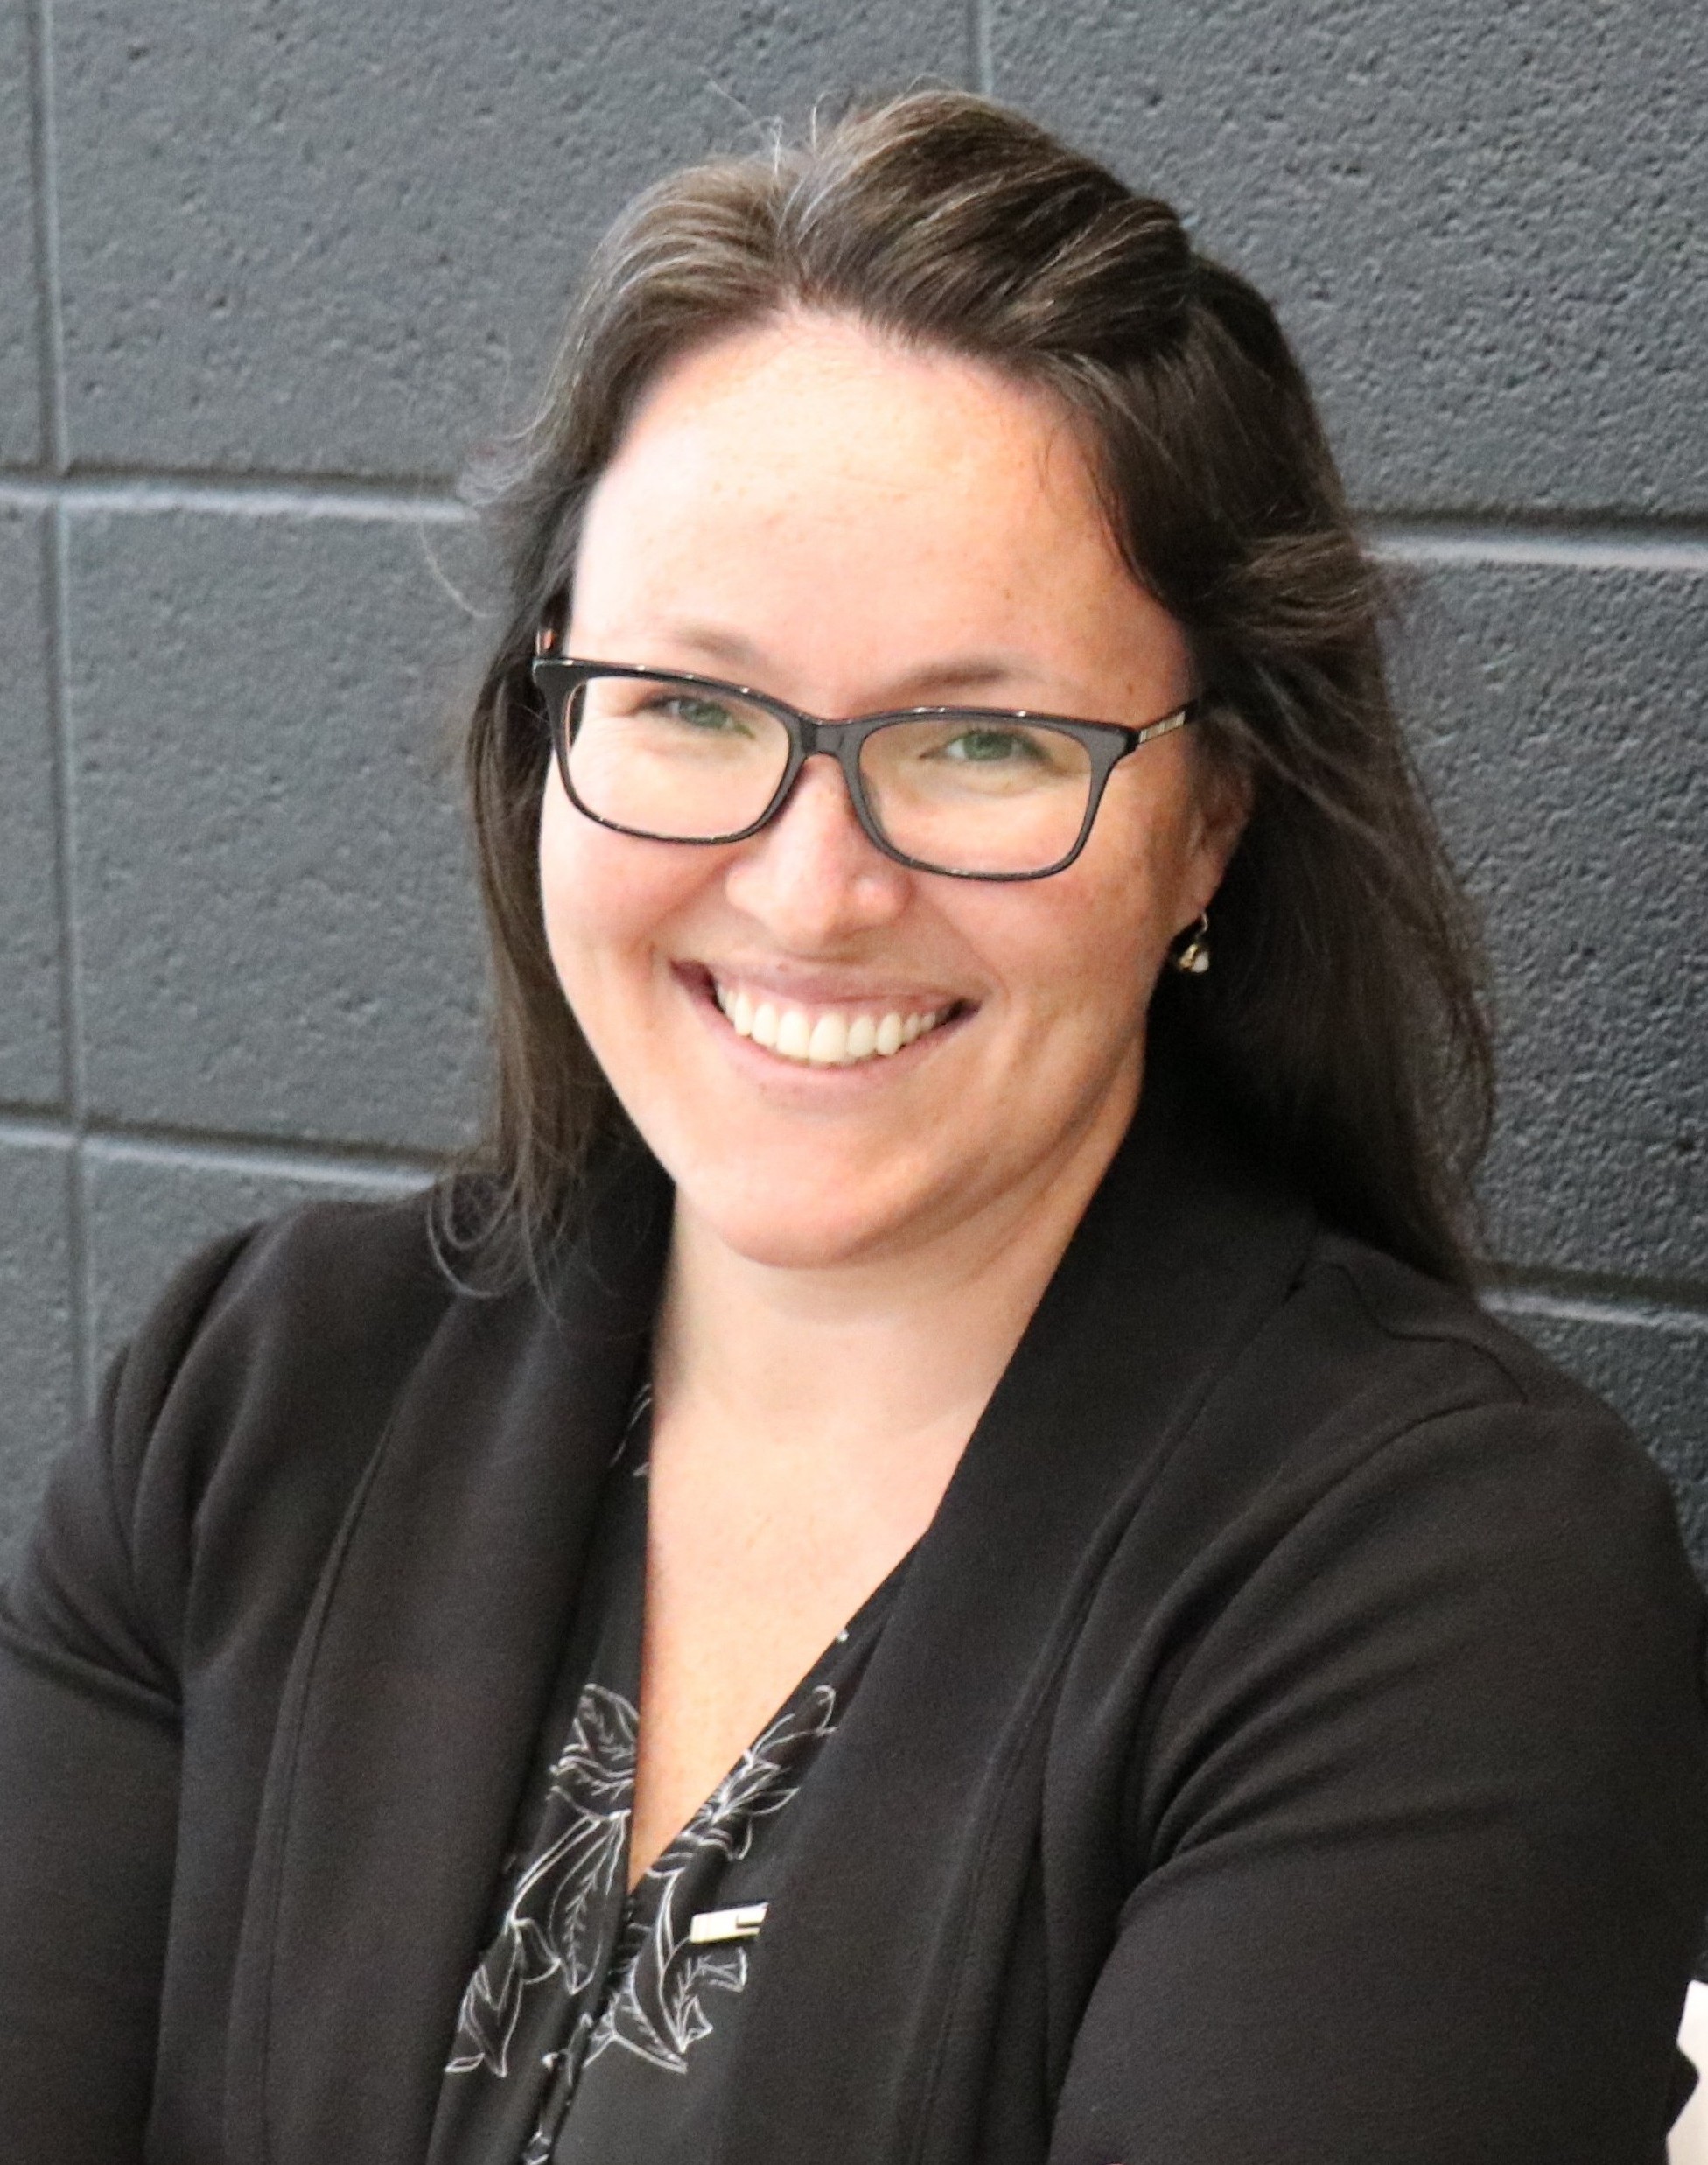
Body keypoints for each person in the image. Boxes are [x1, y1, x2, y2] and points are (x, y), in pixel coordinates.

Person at [1, 90, 1703, 2165]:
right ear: (548, 721)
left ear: (1211, 823)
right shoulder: (254, 1401)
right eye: (691, 706)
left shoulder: (1441, 1584)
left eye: (983, 739)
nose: (813, 888)